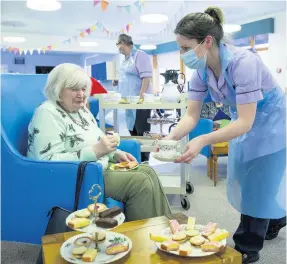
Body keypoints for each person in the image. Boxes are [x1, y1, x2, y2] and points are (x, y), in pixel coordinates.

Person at [164, 6, 286, 264]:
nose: (182, 54)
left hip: (272, 122)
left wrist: (202, 139)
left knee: (256, 184)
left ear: (206, 41)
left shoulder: (244, 63)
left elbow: (244, 121)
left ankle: (246, 248)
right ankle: (277, 217)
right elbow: (191, 115)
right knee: (244, 178)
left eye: (185, 48)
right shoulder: (201, 72)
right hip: (246, 122)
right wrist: (171, 138)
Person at [27, 63, 171, 221]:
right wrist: (96, 152)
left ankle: (166, 230)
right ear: (57, 89)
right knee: (141, 182)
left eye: (83, 89)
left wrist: (114, 154)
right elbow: (47, 162)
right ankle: (142, 239)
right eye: (74, 89)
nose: (81, 94)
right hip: (77, 176)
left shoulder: (81, 110)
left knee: (147, 171)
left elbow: (98, 143)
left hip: (96, 167)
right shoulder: (47, 113)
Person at [113, 34, 152, 162]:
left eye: (118, 45)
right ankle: (136, 156)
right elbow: (128, 77)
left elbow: (146, 77)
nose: (118, 49)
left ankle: (145, 159)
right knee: (132, 127)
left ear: (123, 43)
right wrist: (118, 82)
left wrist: (141, 96)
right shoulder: (125, 59)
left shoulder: (140, 55)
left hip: (140, 100)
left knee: (142, 131)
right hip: (128, 99)